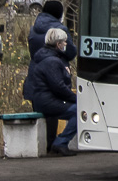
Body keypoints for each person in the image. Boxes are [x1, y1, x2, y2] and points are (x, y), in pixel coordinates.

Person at [25, 27, 78, 156]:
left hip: (42, 100)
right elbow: (58, 87)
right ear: (58, 44)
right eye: (64, 42)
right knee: (79, 111)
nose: (66, 44)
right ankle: (60, 142)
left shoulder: (45, 57)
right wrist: (76, 98)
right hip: (48, 102)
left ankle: (58, 142)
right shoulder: (52, 61)